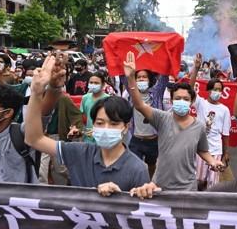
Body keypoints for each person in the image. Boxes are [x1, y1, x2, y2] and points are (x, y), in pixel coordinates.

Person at [24, 56, 149, 193]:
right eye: (100, 123)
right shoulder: (80, 153)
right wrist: (37, 92)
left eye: (113, 124)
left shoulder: (138, 169)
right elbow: (34, 139)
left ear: (126, 127)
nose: (106, 129)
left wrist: (119, 198)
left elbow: (139, 209)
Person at [124, 52, 225, 198]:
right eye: (178, 98)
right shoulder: (161, 118)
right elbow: (139, 105)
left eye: (185, 99)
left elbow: (202, 150)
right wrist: (130, 78)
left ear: (191, 102)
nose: (182, 101)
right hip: (160, 186)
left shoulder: (199, 126)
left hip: (188, 188)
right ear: (171, 101)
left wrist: (212, 161)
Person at [190, 54, 231, 189]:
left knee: (212, 183)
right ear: (208, 90)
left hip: (216, 150)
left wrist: (225, 153)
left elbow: (225, 134)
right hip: (201, 148)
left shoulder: (224, 110)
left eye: (219, 90)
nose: (217, 92)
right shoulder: (200, 103)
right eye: (214, 89)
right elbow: (189, 91)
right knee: (199, 180)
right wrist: (196, 69)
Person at [120, 66, 168, 178]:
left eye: (144, 77)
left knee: (152, 165)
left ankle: (150, 183)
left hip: (153, 141)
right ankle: (136, 185)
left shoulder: (156, 93)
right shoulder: (132, 93)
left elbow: (164, 78)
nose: (141, 79)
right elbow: (123, 76)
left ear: (149, 79)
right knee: (134, 166)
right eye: (139, 77)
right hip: (136, 140)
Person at [81, 72, 110, 143]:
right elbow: (83, 116)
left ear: (103, 85)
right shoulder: (85, 98)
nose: (93, 85)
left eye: (96, 83)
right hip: (88, 138)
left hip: (103, 137)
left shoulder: (108, 99)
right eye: (91, 82)